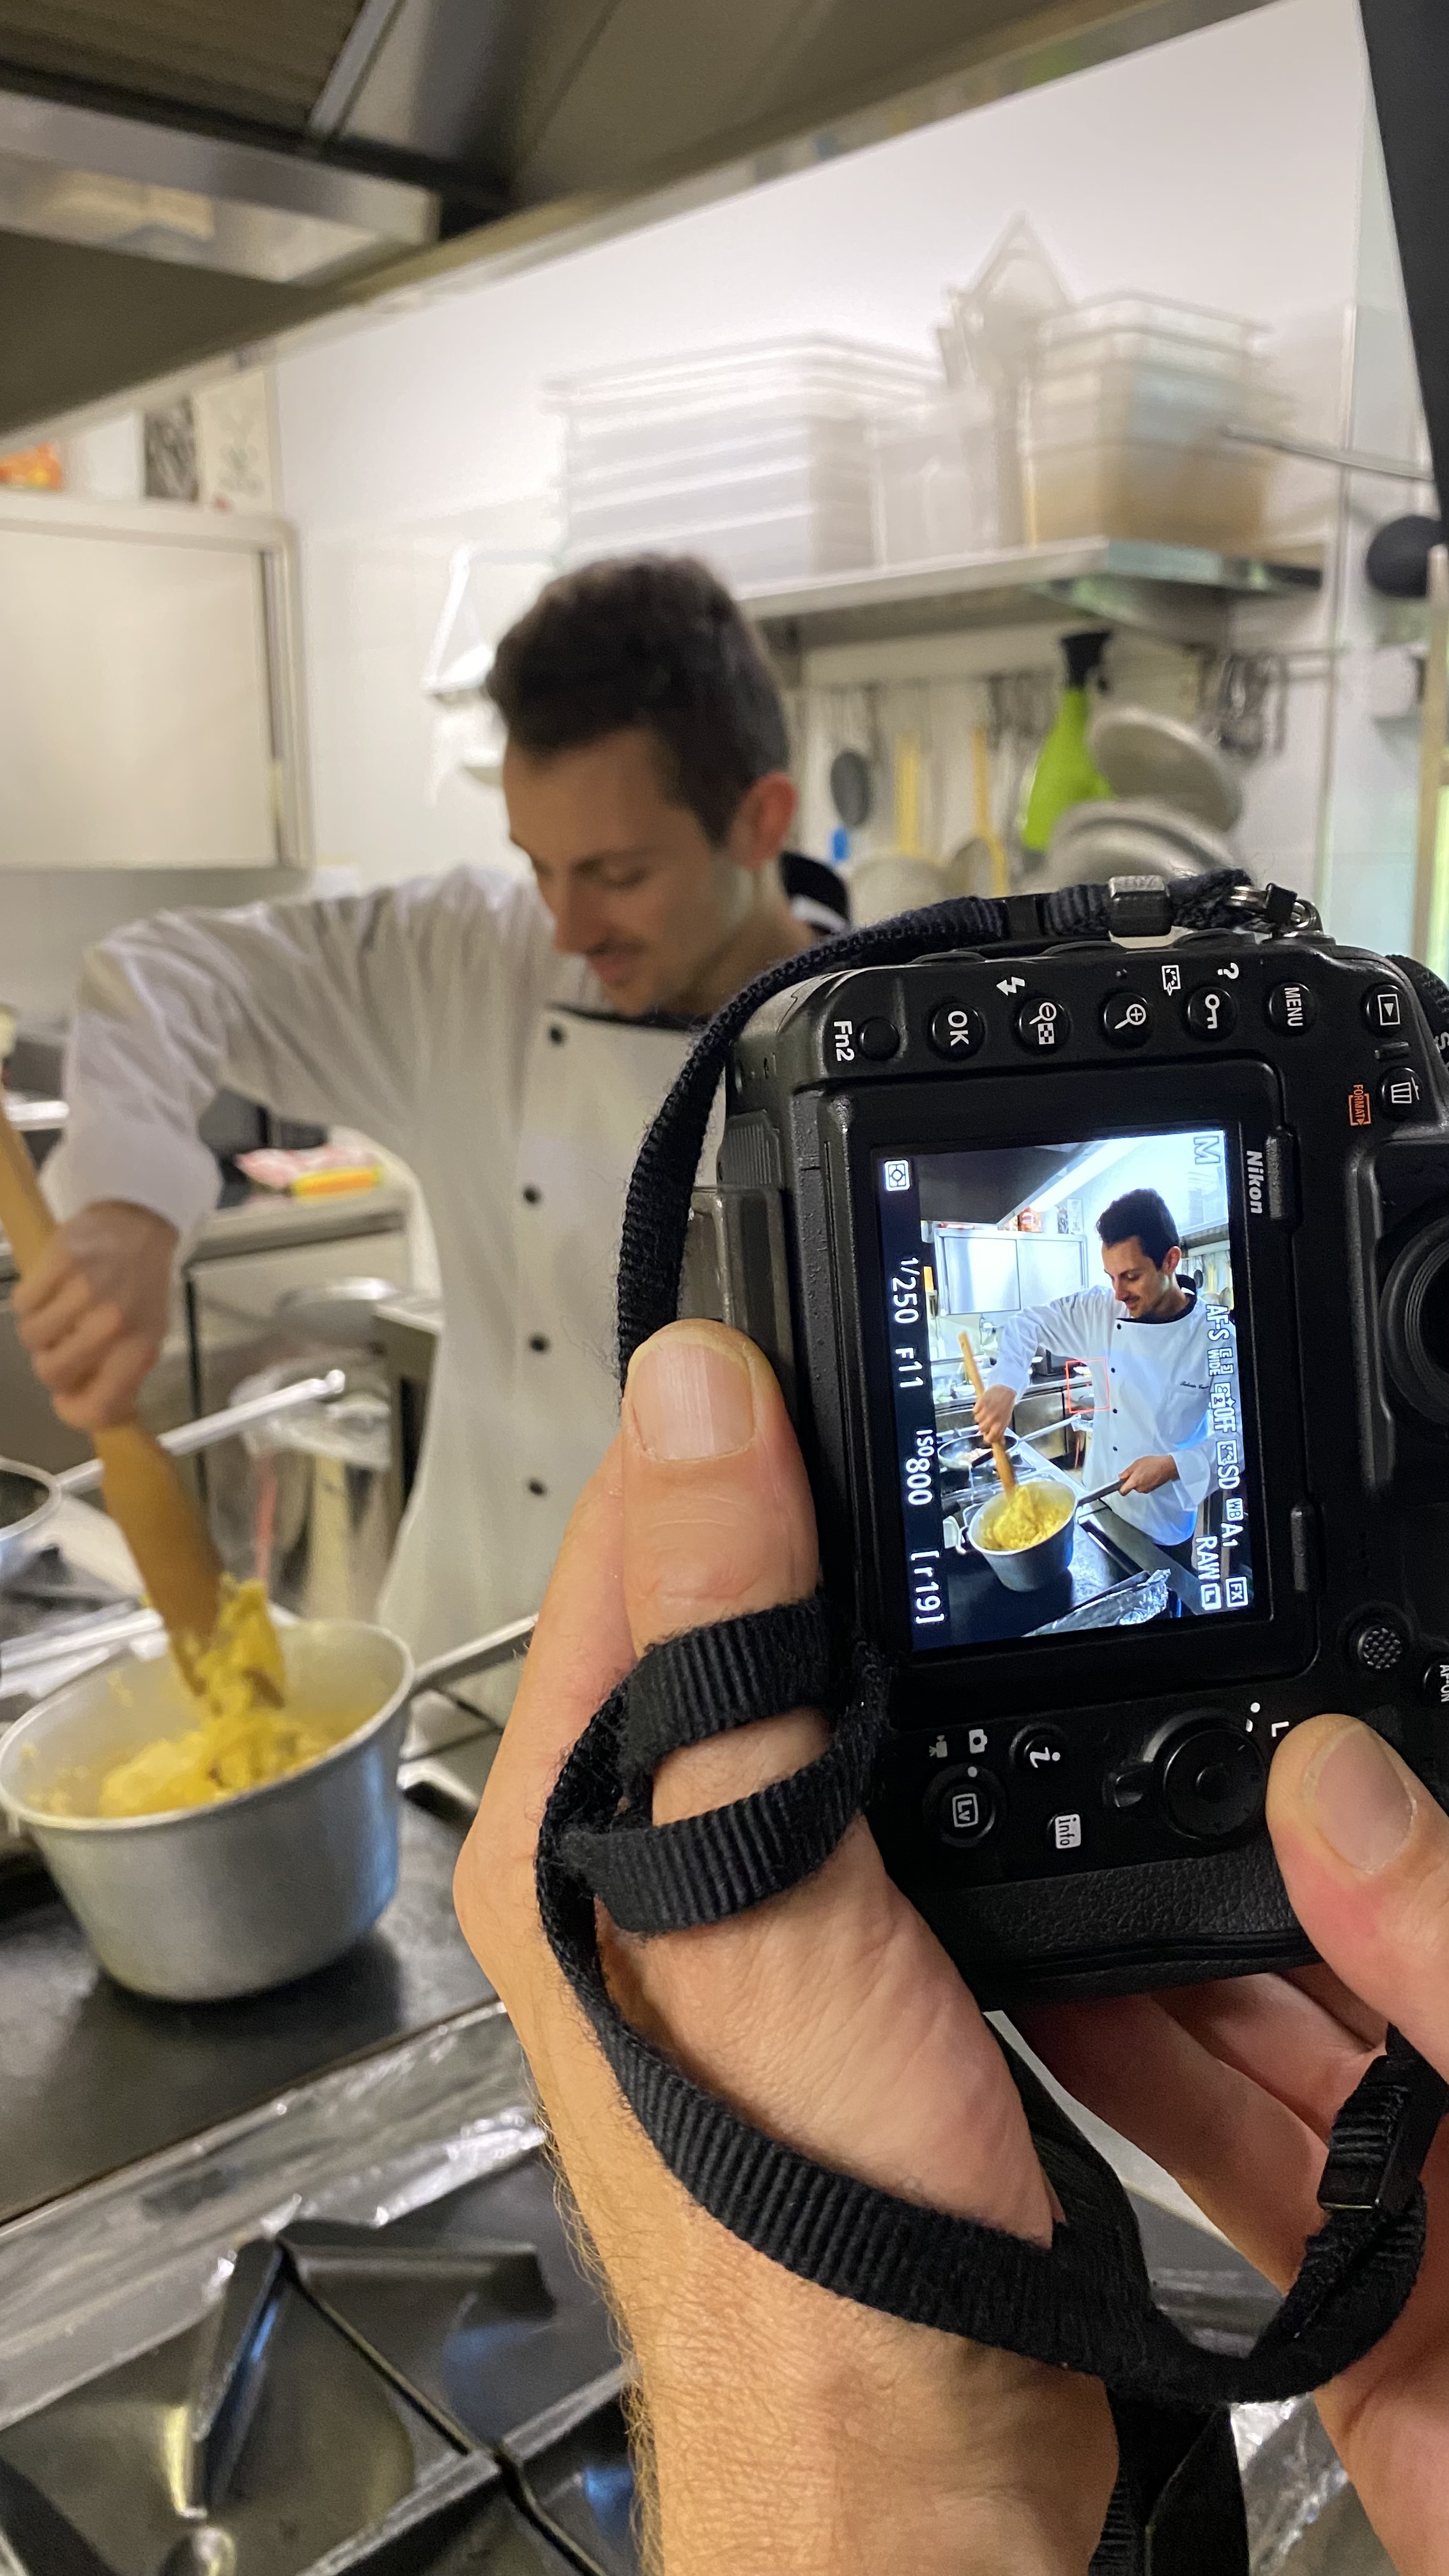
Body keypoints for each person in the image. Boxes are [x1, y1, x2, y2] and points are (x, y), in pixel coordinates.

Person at [457, 1314, 1449, 2575]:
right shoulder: (1093, 1312)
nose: (1120, 1284)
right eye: (1111, 1272)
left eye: (1130, 1272)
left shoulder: (1206, 1327)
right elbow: (1027, 1333)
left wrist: (851, 2458)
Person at [13, 556, 844, 1673]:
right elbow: (162, 973)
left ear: (759, 820)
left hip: (734, 1702)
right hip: (457, 1677)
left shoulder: (872, 1051)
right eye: (538, 868)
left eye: (615, 874)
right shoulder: (470, 966)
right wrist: (127, 1199)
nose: (566, 927)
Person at [974, 1185, 1224, 1560]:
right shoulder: (1102, 1311)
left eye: (1131, 1276)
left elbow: (1240, 1438)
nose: (1119, 1293)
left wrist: (1173, 1466)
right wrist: (1006, 1383)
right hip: (1098, 1503)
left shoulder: (1216, 1338)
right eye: (1111, 1277)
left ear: (1170, 1261)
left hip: (1163, 1523)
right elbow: (1028, 1324)